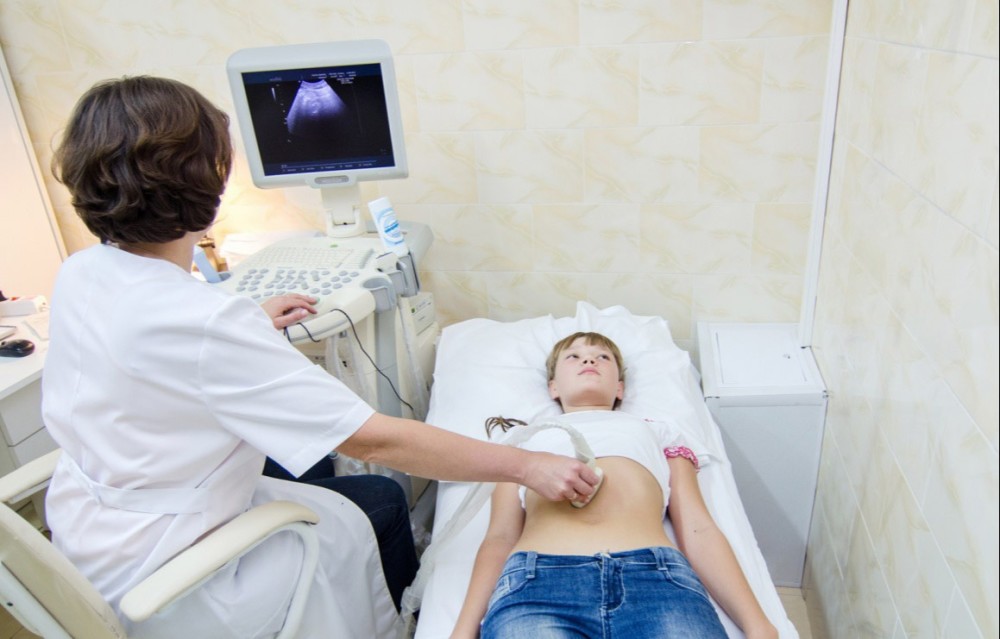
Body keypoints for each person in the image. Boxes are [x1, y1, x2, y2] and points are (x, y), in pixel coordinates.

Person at [42, 76, 599, 639]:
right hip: (173, 572)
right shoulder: (209, 324)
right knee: (381, 498)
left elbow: (154, 347)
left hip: (90, 533)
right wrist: (527, 465)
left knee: (306, 463)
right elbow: (375, 442)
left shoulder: (83, 271)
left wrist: (246, 326)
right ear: (200, 179)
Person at [451, 332, 778, 639]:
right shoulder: (522, 441)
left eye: (602, 357)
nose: (589, 360)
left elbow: (698, 528)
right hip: (538, 585)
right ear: (553, 387)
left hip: (656, 580)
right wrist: (463, 630)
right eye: (574, 356)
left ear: (620, 388)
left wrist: (758, 625)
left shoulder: (658, 431)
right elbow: (500, 537)